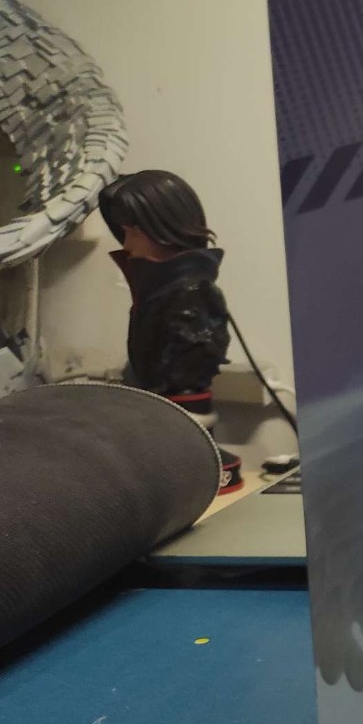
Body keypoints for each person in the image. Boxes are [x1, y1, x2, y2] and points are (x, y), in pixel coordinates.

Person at [98, 170, 239, 491]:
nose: (127, 245)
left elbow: (184, 370)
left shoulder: (191, 296)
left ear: (160, 229)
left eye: (132, 232)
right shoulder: (158, 293)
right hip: (158, 433)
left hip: (179, 440)